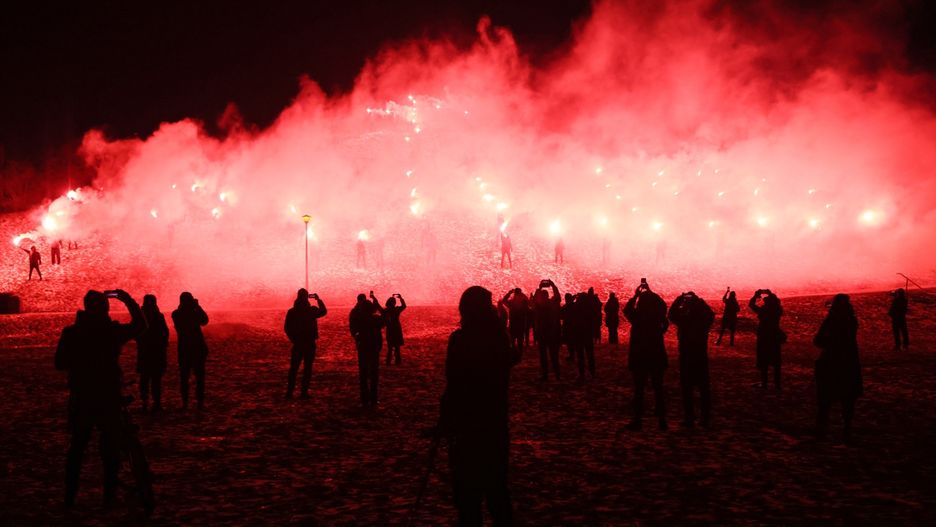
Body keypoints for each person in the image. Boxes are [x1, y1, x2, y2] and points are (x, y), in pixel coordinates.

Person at [55, 289, 145, 507]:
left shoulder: (71, 333)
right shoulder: (111, 332)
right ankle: (109, 496)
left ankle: (70, 497)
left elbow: (60, 363)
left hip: (82, 397)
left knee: (77, 448)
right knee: (110, 448)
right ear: (105, 309)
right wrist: (127, 300)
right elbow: (140, 326)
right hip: (108, 396)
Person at [439, 286, 519, 526]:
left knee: (467, 498)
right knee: (497, 492)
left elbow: (453, 384)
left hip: (466, 426)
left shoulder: (460, 340)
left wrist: (444, 421)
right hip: (494, 423)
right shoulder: (500, 341)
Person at [813, 294, 863, 441]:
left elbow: (818, 340)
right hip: (849, 363)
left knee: (825, 399)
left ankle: (822, 430)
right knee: (848, 399)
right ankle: (847, 429)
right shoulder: (852, 320)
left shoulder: (832, 320)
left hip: (831, 362)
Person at [623, 280, 669, 430]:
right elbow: (663, 307)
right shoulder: (658, 319)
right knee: (658, 388)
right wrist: (651, 292)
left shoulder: (638, 318)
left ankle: (638, 420)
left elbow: (627, 309)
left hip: (640, 357)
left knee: (639, 390)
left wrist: (636, 295)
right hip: (656, 356)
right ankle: (662, 420)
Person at [668, 292, 715, 428]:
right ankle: (704, 418)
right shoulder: (703, 322)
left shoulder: (684, 321)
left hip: (687, 357)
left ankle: (689, 418)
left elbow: (671, 314)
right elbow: (710, 315)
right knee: (704, 389)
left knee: (687, 389)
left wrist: (679, 299)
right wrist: (699, 301)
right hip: (700, 357)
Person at [284, 288, 327, 398]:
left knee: (294, 368)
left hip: (298, 343)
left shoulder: (292, 312)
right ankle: (304, 392)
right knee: (307, 368)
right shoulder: (311, 310)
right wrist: (318, 300)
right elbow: (323, 311)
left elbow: (287, 328)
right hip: (309, 343)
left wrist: (293, 339)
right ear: (307, 297)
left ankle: (289, 392)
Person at [172, 292, 209, 409]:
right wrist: (197, 307)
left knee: (185, 377)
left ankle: (185, 403)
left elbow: (203, 321)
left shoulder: (176, 314)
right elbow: (204, 321)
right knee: (199, 377)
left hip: (184, 349)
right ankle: (199, 403)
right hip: (197, 348)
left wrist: (195, 308)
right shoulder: (192, 313)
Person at [349, 292, 385, 407]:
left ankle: (364, 400)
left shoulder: (358, 319)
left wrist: (357, 338)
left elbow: (353, 329)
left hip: (363, 347)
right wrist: (376, 302)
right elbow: (385, 315)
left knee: (363, 374)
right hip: (374, 348)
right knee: (374, 374)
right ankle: (373, 399)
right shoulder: (376, 319)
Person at [136, 294, 169, 412]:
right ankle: (156, 403)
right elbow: (165, 333)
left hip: (144, 352)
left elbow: (136, 333)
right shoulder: (158, 316)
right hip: (157, 352)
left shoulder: (140, 316)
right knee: (156, 380)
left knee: (144, 379)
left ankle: (145, 403)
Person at [749, 289, 785, 390]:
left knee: (764, 360)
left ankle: (764, 384)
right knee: (776, 361)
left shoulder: (764, 310)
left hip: (764, 336)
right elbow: (775, 301)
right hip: (774, 336)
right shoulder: (778, 310)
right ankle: (777, 385)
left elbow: (751, 305)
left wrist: (755, 295)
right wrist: (770, 293)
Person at [532, 280, 562, 381]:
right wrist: (553, 285)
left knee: (543, 356)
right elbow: (557, 297)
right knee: (554, 356)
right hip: (552, 333)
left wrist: (539, 288)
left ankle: (545, 375)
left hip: (542, 333)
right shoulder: (552, 304)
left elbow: (533, 300)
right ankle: (557, 375)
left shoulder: (539, 306)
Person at [382, 293, 406, 365]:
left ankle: (388, 362)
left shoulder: (386, 310)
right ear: (394, 303)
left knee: (390, 347)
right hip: (397, 328)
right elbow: (404, 306)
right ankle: (398, 362)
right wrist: (400, 298)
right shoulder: (396, 310)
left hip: (390, 329)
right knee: (397, 347)